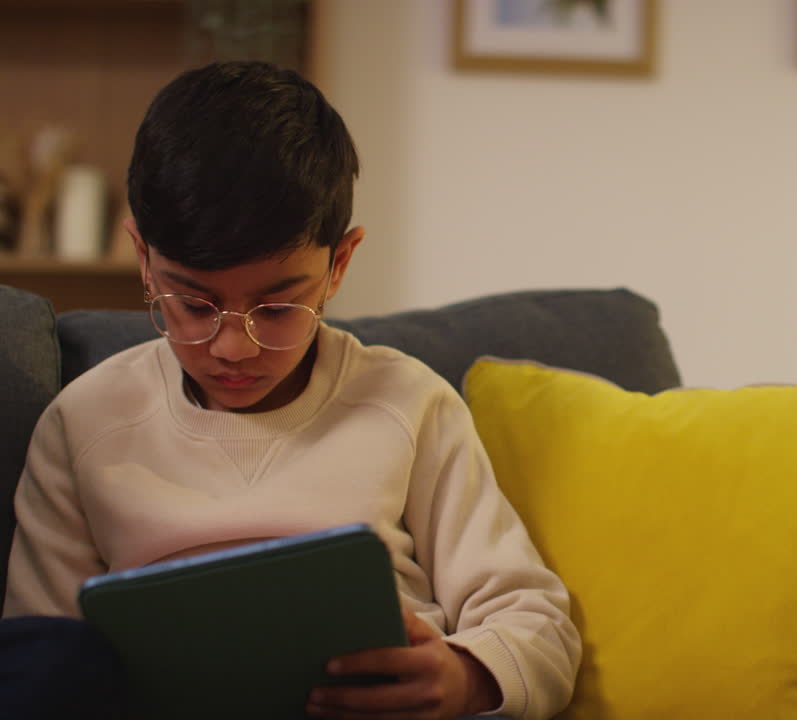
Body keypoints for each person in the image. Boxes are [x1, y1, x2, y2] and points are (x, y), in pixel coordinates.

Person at [1, 60, 580, 720]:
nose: (232, 347)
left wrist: (464, 676)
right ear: (143, 258)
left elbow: (537, 623)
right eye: (192, 303)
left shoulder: (410, 404)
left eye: (276, 309)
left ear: (340, 264)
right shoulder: (84, 422)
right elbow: (35, 653)